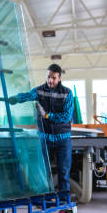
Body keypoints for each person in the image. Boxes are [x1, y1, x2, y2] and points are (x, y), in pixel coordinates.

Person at [9, 64, 74, 200]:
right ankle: (45, 204)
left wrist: (47, 116)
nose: (50, 80)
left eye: (54, 78)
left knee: (63, 173)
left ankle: (63, 205)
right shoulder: (40, 91)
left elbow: (66, 117)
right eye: (49, 77)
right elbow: (28, 95)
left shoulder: (67, 93)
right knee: (43, 173)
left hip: (63, 139)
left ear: (60, 78)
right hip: (45, 139)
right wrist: (15, 99)